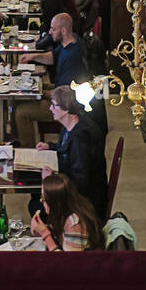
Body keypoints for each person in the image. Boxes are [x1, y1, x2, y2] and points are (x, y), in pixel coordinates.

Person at [15, 12, 90, 146]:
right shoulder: (70, 41)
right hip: (59, 90)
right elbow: (53, 57)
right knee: (17, 98)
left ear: (63, 30)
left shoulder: (72, 57)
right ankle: (18, 138)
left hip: (66, 104)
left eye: (53, 29)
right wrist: (33, 57)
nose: (50, 32)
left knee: (21, 112)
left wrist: (39, 92)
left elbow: (64, 95)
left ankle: (28, 152)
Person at [36, 85, 107, 218]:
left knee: (37, 207)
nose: (50, 108)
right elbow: (64, 148)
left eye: (54, 105)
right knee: (36, 198)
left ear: (66, 109)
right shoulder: (72, 123)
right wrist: (49, 146)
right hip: (80, 192)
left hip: (84, 204)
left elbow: (80, 183)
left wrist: (52, 178)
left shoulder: (80, 140)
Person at [30, 172, 102, 251]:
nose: (41, 201)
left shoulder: (74, 224)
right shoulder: (66, 210)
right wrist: (39, 230)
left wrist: (45, 233)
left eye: (43, 198)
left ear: (55, 202)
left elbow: (66, 261)